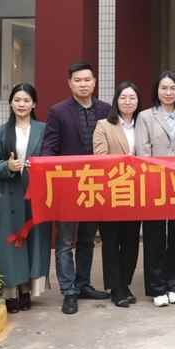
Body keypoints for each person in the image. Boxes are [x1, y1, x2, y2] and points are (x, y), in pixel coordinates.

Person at [42, 62, 111, 315]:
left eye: (87, 80)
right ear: (70, 83)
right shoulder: (58, 112)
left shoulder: (106, 109)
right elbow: (49, 147)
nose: (83, 84)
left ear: (94, 82)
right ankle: (69, 291)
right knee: (65, 241)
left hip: (95, 186)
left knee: (87, 239)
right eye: (78, 80)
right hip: (68, 187)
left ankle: (83, 284)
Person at [0, 83, 51, 314]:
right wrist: (7, 166)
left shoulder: (44, 130)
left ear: (34, 104)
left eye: (26, 100)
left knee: (33, 240)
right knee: (9, 244)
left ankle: (27, 290)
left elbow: (53, 157)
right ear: (11, 103)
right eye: (17, 100)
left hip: (35, 193)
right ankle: (10, 292)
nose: (22, 104)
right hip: (7, 195)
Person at [136, 71, 175, 307]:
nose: (168, 92)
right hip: (154, 184)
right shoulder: (145, 116)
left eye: (173, 88)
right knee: (154, 236)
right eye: (164, 88)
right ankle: (157, 287)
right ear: (157, 91)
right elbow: (143, 151)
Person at [92, 81, 143, 308]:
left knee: (131, 240)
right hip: (112, 190)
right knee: (112, 240)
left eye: (132, 97)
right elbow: (100, 157)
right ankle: (116, 287)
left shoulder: (143, 123)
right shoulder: (104, 125)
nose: (128, 102)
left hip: (138, 192)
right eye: (123, 97)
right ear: (116, 100)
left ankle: (125, 283)